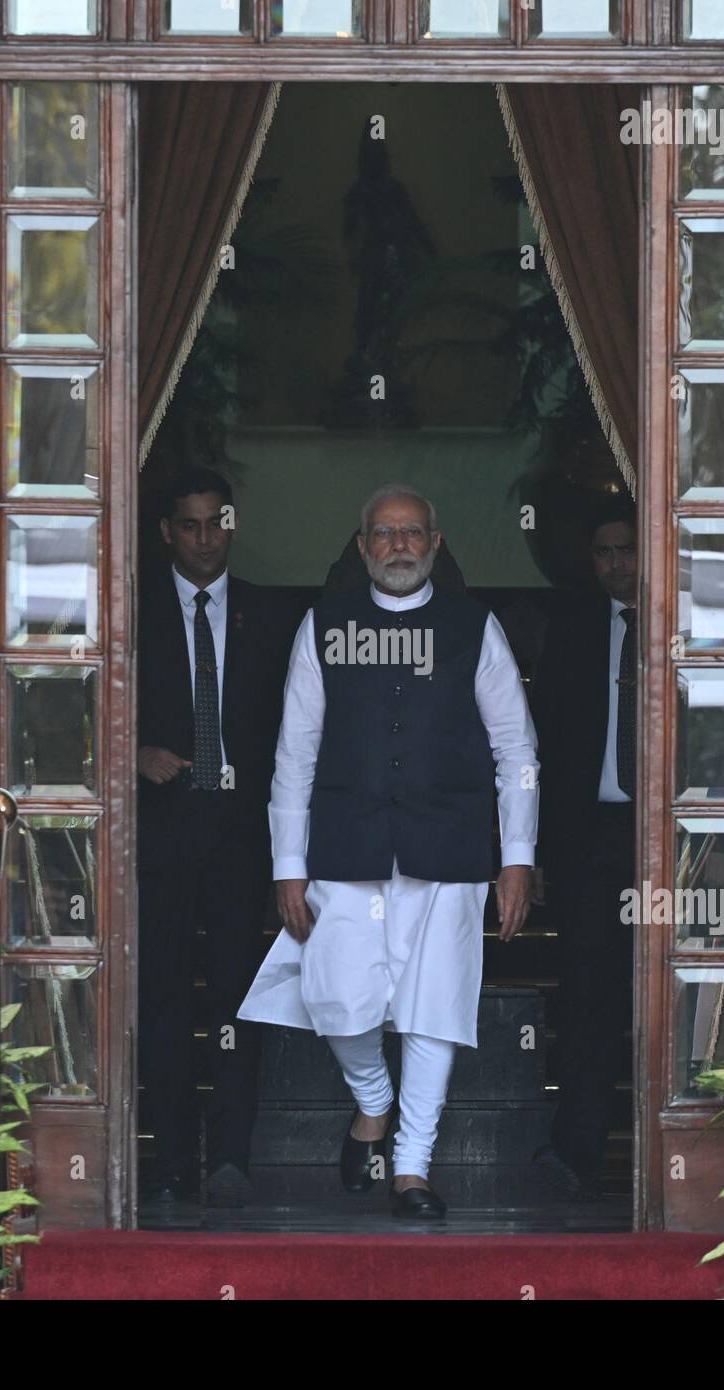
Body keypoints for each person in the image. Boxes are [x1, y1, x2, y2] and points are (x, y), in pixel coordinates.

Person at [237, 484, 538, 1219]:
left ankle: (411, 1166)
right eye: (383, 533)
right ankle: (372, 1100)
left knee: (434, 1011)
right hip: (344, 849)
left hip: (452, 849)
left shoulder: (474, 626)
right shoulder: (323, 625)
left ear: (435, 545)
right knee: (338, 1002)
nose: (398, 545)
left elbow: (515, 748)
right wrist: (287, 864)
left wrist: (518, 856)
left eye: (412, 533)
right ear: (362, 546)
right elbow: (293, 754)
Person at [137, 467, 292, 1209]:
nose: (204, 537)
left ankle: (231, 1153)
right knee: (162, 998)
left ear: (231, 525)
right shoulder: (129, 612)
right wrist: (132, 753)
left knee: (241, 999)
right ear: (167, 532)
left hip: (242, 837)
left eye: (216, 522)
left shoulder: (268, 616)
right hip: (160, 830)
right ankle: (170, 1159)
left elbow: (295, 738)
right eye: (189, 524)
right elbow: (74, 709)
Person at [532, 495, 638, 1201]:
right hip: (586, 837)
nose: (613, 564)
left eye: (624, 550)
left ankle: (689, 1144)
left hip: (671, 836)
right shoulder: (570, 626)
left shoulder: (687, 623)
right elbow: (538, 742)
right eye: (602, 552)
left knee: (674, 987)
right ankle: (577, 1147)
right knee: (587, 994)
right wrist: (533, 851)